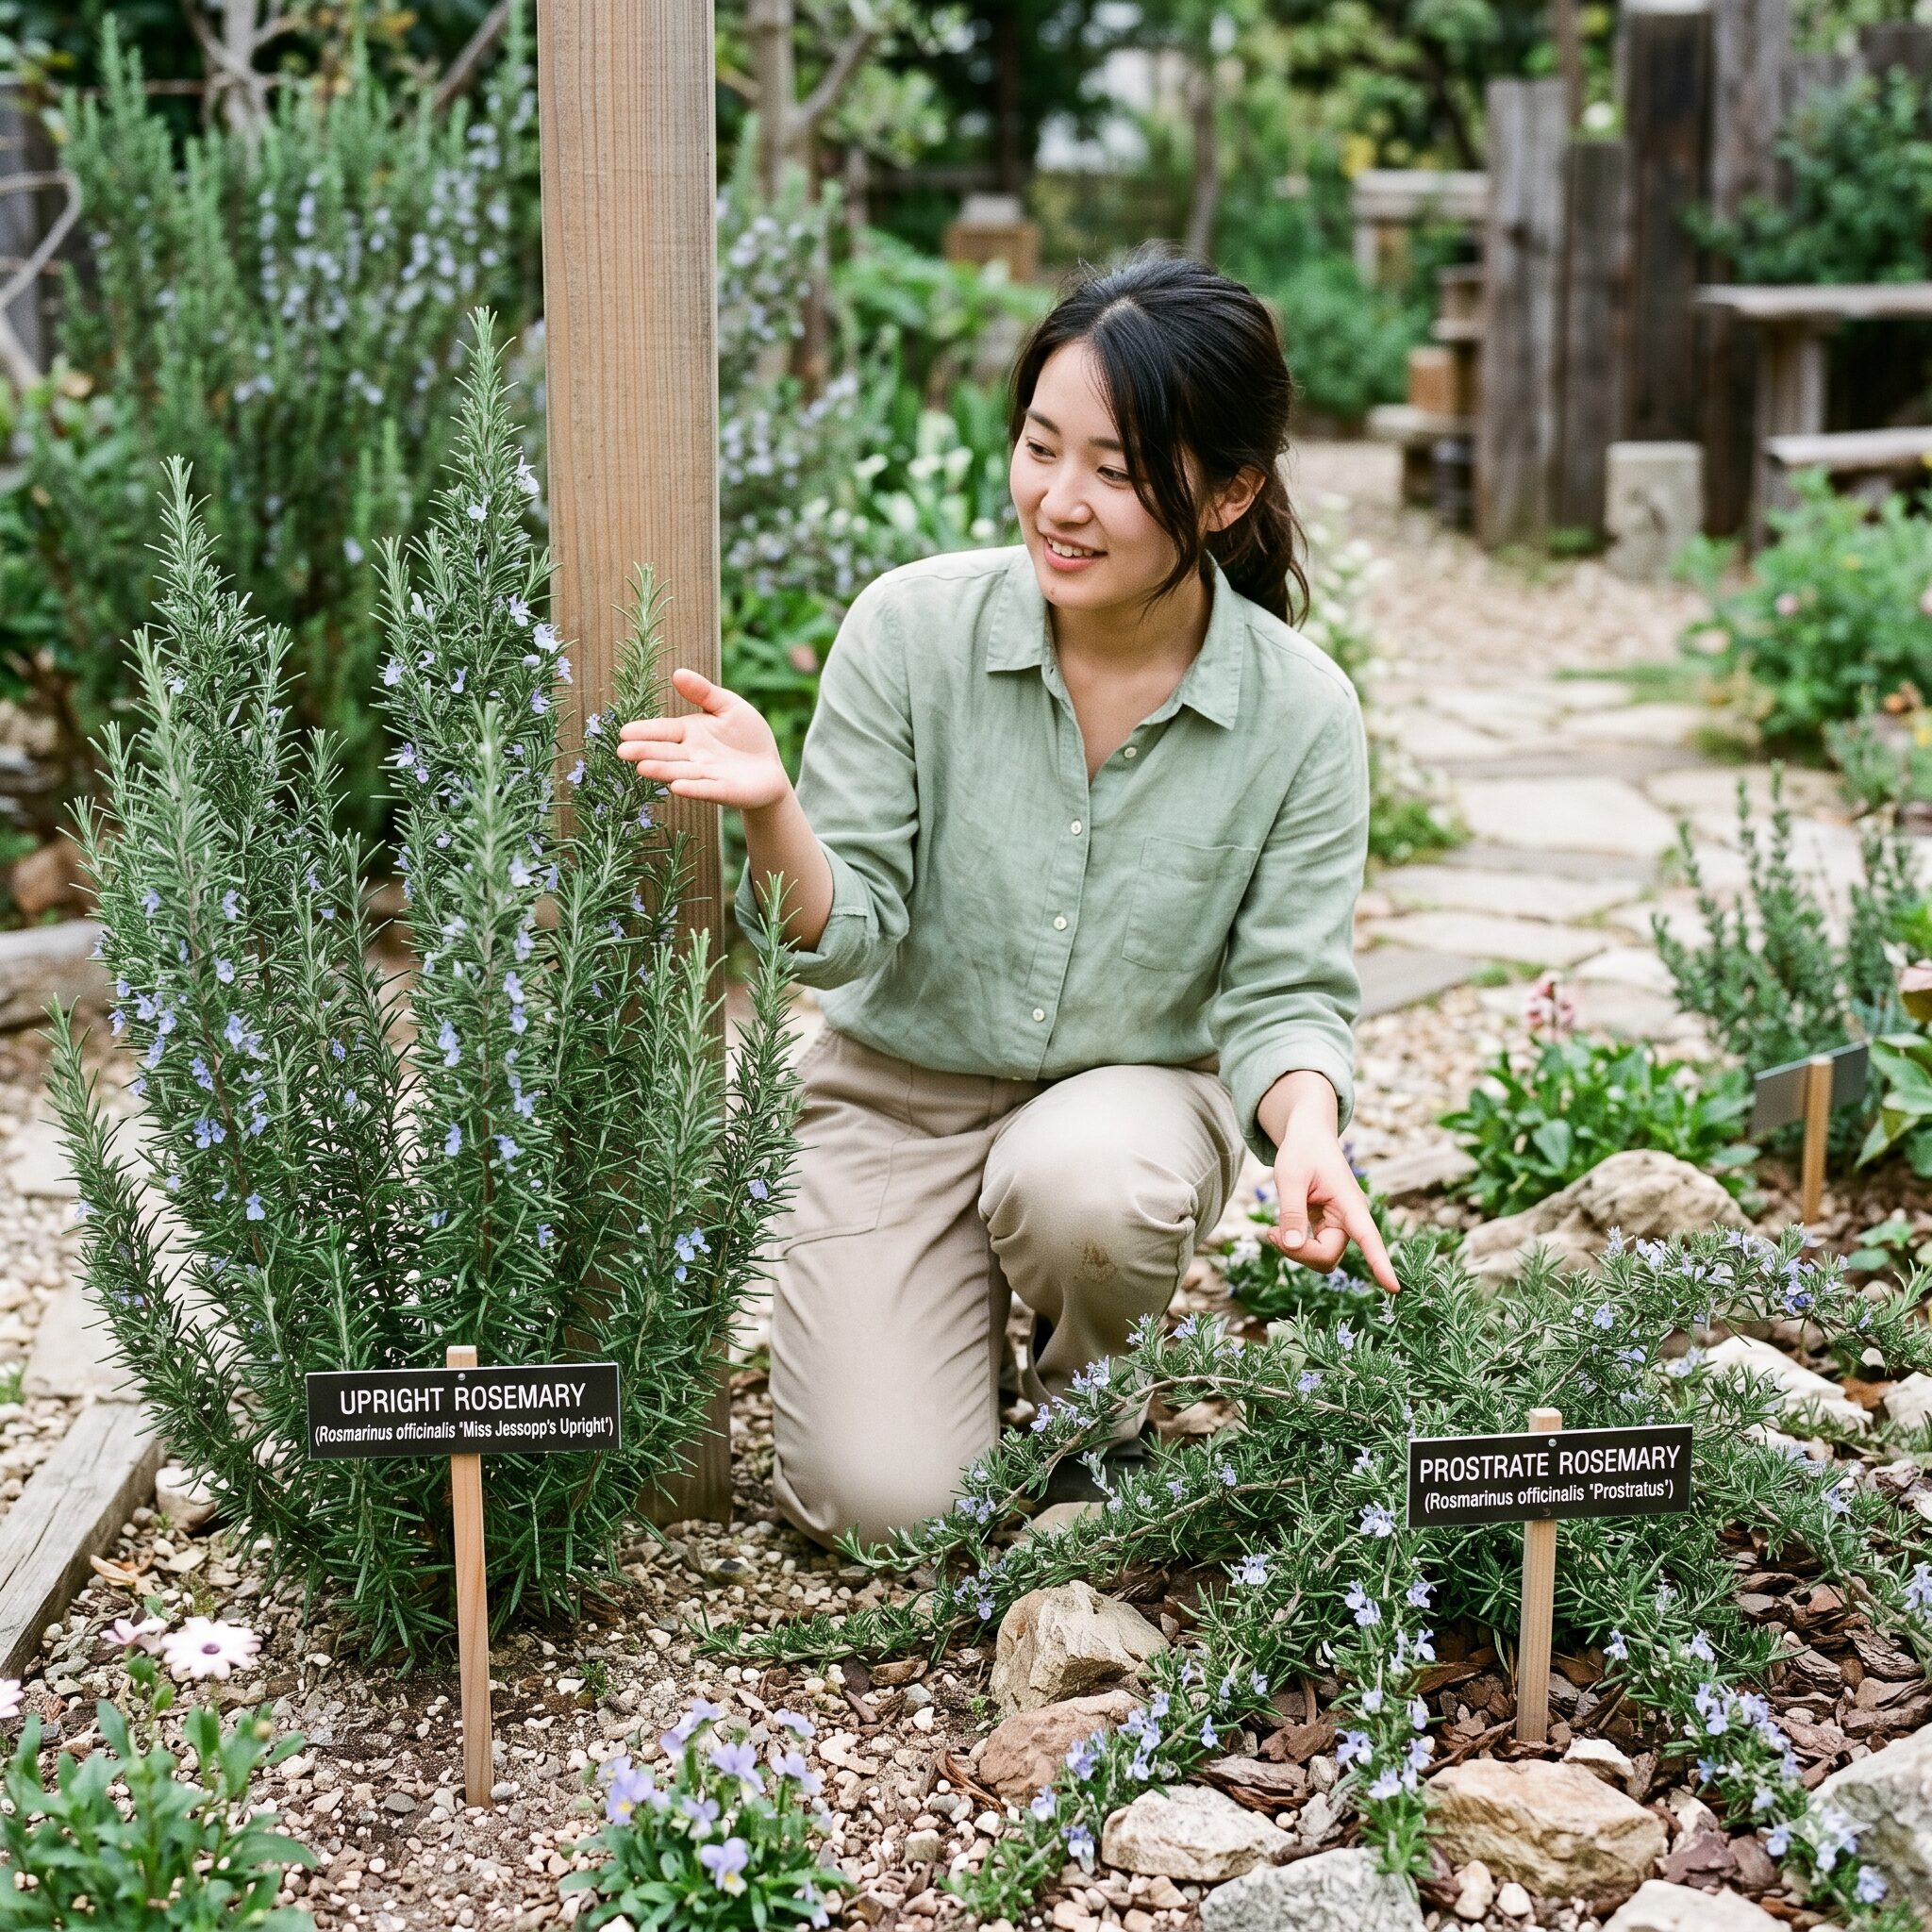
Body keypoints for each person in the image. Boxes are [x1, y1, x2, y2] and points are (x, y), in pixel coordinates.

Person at [618, 245, 1397, 1547]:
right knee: (887, 1512)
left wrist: (1307, 1129)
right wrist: (771, 807)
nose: (1061, 501)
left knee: (1084, 1188)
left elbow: (1286, 991)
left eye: (1118, 468)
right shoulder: (911, 631)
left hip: (1127, 1107)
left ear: (1228, 494)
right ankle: (944, 1320)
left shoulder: (1302, 715)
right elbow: (840, 934)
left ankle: (1095, 1398)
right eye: (1043, 448)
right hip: (898, 1096)